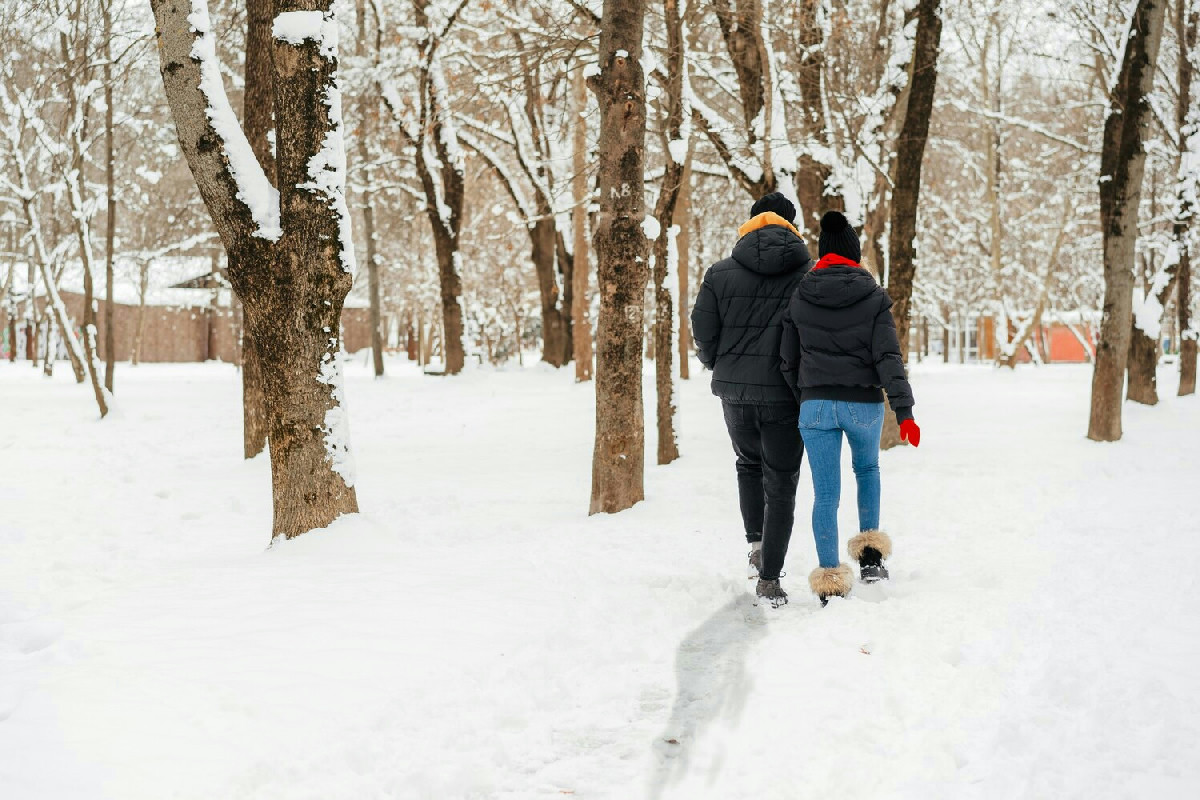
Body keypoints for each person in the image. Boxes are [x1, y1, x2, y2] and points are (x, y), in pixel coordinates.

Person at [779, 210, 920, 606]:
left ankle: (830, 581)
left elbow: (787, 359)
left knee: (825, 493)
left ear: (823, 252)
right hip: (863, 405)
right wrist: (904, 412)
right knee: (867, 469)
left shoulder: (800, 294)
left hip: (816, 404)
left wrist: (804, 396)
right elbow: (888, 358)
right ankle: (871, 560)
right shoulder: (872, 296)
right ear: (854, 253)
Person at [690, 192, 814, 608]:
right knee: (781, 482)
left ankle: (757, 546)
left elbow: (703, 329)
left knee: (748, 464)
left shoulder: (720, 273)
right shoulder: (808, 273)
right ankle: (770, 578)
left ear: (752, 221)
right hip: (785, 395)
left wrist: (717, 362)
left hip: (735, 392)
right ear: (792, 225)